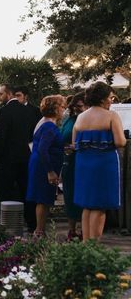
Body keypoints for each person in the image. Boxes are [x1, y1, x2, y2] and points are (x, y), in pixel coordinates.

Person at [73, 81, 126, 241]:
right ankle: (94, 246)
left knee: (88, 205)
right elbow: (120, 142)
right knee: (100, 206)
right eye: (110, 97)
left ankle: (86, 244)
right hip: (104, 163)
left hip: (83, 164)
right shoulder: (111, 116)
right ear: (103, 98)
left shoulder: (81, 117)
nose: (112, 100)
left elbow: (75, 143)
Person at [0, 83, 40, 232]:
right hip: (26, 156)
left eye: (0, 94)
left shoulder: (4, 111)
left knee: (6, 190)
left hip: (8, 158)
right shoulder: (29, 111)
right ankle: (32, 223)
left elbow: (1, 137)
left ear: (9, 94)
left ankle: (6, 224)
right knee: (27, 189)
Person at [26, 95, 66, 236]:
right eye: (62, 107)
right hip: (44, 166)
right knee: (43, 199)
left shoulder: (46, 123)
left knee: (44, 198)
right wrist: (50, 171)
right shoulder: (49, 125)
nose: (64, 110)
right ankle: (39, 231)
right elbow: (43, 149)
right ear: (55, 108)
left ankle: (40, 230)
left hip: (40, 162)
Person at [60, 92, 86, 240]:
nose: (77, 108)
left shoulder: (87, 120)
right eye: (75, 106)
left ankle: (84, 229)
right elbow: (61, 135)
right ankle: (72, 229)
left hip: (82, 159)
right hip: (69, 160)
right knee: (69, 195)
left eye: (80, 106)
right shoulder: (68, 119)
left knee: (83, 194)